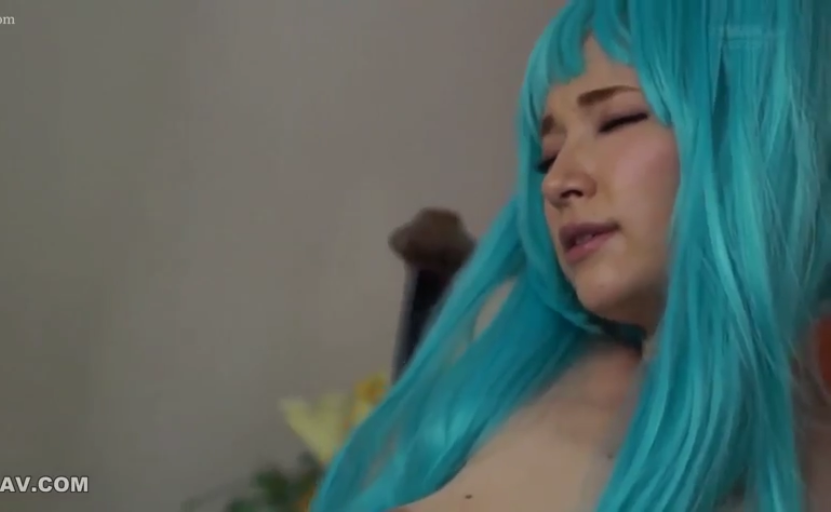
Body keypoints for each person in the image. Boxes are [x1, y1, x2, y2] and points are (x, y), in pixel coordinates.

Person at [312, 0, 831, 509]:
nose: (557, 181)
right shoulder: (575, 407)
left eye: (617, 120)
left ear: (755, 138)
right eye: (548, 155)